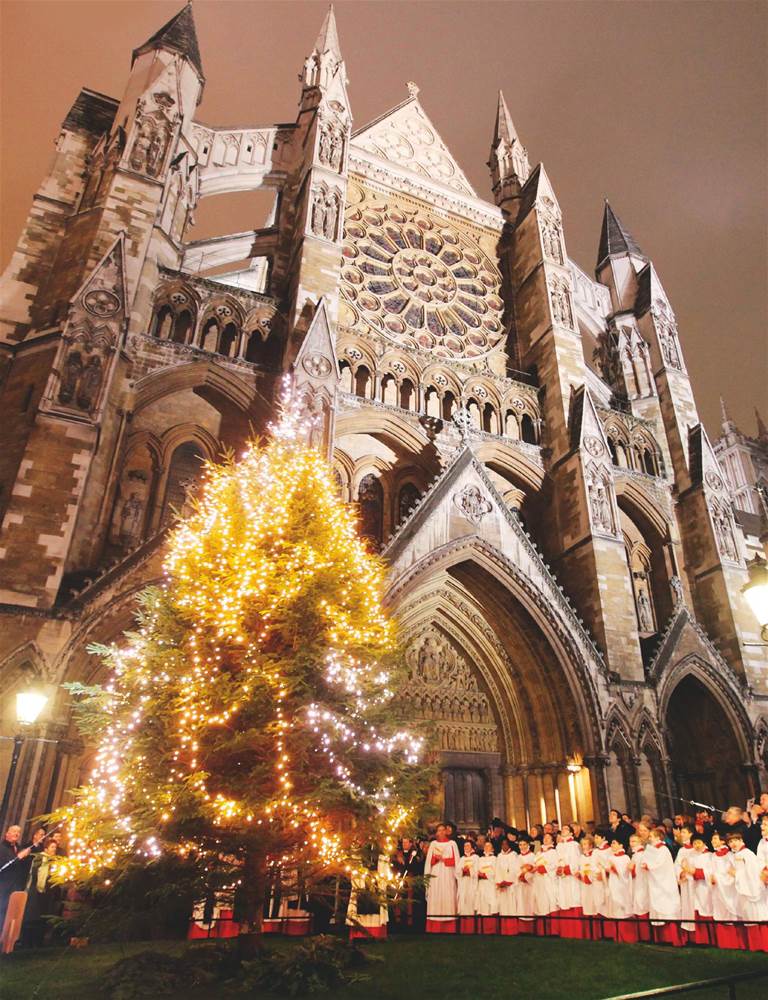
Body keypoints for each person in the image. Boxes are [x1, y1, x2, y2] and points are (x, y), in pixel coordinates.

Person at [643, 826, 682, 946]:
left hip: (664, 883)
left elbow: (660, 865)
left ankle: (672, 938)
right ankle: (661, 938)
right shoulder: (652, 850)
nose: (650, 839)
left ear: (658, 837)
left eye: (652, 836)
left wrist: (648, 866)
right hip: (656, 883)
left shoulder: (663, 849)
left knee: (667, 908)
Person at [728, 832, 768, 951]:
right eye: (730, 842)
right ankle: (754, 946)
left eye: (735, 840)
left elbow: (752, 873)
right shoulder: (737, 855)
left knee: (757, 916)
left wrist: (737, 874)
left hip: (752, 890)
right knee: (749, 917)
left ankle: (762, 945)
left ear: (741, 840)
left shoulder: (747, 854)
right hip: (743, 891)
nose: (733, 844)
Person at [22, 838, 61, 947]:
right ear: (46, 848)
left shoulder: (55, 861)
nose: (54, 849)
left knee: (43, 917)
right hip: (36, 891)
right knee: (32, 916)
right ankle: (27, 941)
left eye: (55, 848)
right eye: (52, 847)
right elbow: (33, 874)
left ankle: (38, 941)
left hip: (47, 893)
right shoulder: (39, 859)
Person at [709, 830, 742, 949]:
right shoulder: (713, 856)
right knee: (720, 912)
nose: (713, 841)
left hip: (728, 888)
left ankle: (735, 942)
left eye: (715, 839)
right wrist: (711, 876)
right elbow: (711, 870)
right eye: (712, 839)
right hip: (717, 889)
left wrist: (721, 878)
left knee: (731, 911)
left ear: (722, 841)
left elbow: (734, 872)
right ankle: (724, 942)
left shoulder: (730, 856)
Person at [424, 824, 459, 934]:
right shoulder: (433, 844)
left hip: (448, 874)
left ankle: (449, 926)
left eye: (443, 830)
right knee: (436, 895)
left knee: (448, 895)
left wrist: (444, 859)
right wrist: (436, 859)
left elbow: (456, 861)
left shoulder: (452, 844)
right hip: (436, 874)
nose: (441, 832)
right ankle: (434, 926)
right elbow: (429, 861)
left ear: (446, 831)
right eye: (439, 830)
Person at [0, 826, 31, 936]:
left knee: (12, 914)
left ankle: (7, 940)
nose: (16, 834)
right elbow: (3, 865)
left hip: (16, 887)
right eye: (14, 831)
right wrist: (19, 857)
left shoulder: (19, 848)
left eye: (18, 832)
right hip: (3, 887)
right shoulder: (2, 848)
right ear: (7, 833)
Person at [555, 823, 584, 938]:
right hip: (562, 878)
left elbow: (577, 860)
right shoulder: (559, 846)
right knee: (564, 898)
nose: (563, 830)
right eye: (562, 829)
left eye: (566, 829)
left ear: (571, 833)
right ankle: (565, 931)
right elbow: (556, 859)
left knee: (573, 898)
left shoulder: (574, 845)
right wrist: (558, 868)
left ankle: (576, 931)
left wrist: (568, 869)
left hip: (571, 877)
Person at [606, 837, 636, 943]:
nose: (612, 845)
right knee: (614, 910)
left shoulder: (625, 858)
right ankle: (617, 937)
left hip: (622, 887)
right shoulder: (610, 857)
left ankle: (627, 937)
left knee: (622, 910)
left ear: (621, 845)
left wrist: (615, 869)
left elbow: (626, 875)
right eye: (611, 843)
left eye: (614, 843)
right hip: (613, 885)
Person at [689, 835, 715, 946]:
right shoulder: (692, 856)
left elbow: (711, 870)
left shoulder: (710, 856)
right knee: (698, 909)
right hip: (696, 887)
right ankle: (702, 939)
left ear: (704, 843)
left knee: (707, 909)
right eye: (694, 843)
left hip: (706, 887)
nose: (696, 845)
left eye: (698, 842)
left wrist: (696, 872)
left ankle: (712, 939)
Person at [577, 835, 604, 940]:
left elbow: (598, 867)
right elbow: (581, 868)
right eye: (582, 844)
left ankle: (599, 934)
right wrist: (581, 875)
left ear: (591, 845)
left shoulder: (596, 854)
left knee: (596, 905)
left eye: (585, 844)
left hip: (595, 884)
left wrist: (591, 877)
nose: (583, 846)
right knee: (588, 906)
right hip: (585, 885)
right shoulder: (582, 857)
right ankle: (591, 934)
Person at [674, 824, 697, 940]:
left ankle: (697, 934)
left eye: (684, 832)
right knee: (686, 905)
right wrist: (680, 872)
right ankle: (688, 934)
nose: (681, 834)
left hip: (694, 882)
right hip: (685, 882)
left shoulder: (695, 848)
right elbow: (677, 864)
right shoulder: (681, 850)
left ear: (690, 834)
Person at [532, 832, 558, 936]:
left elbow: (555, 865)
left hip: (548, 880)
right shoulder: (538, 853)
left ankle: (553, 930)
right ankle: (542, 931)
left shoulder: (553, 852)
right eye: (545, 837)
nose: (546, 839)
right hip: (539, 881)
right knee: (540, 902)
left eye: (548, 838)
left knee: (550, 902)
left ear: (552, 841)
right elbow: (535, 864)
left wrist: (544, 868)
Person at [628, 834, 651, 943]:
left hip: (642, 885)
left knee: (642, 907)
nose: (632, 843)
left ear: (640, 842)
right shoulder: (635, 855)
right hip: (636, 884)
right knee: (638, 906)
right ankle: (641, 936)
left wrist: (632, 869)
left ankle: (646, 936)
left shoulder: (642, 854)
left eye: (634, 841)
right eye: (631, 841)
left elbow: (642, 871)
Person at [495, 839, 518, 936]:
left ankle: (512, 930)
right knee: (503, 907)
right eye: (502, 844)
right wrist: (500, 882)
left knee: (511, 907)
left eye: (506, 844)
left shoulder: (514, 855)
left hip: (510, 885)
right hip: (502, 886)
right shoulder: (499, 856)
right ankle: (504, 930)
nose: (504, 846)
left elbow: (515, 870)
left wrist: (507, 881)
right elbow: (497, 870)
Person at [475, 841, 498, 933]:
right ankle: (483, 929)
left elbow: (496, 871)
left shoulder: (495, 859)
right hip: (482, 884)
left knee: (491, 904)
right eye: (485, 846)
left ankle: (492, 929)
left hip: (490, 884)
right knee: (482, 903)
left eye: (489, 846)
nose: (487, 847)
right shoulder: (480, 859)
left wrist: (486, 875)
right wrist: (478, 874)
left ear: (492, 849)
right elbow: (476, 869)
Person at [456, 841, 478, 934]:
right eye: (464, 845)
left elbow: (477, 870)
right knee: (463, 904)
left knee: (471, 903)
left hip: (471, 884)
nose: (466, 847)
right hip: (463, 884)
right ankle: (463, 929)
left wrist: (470, 871)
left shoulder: (476, 858)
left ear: (472, 847)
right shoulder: (461, 859)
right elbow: (457, 872)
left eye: (468, 845)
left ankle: (471, 929)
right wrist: (462, 871)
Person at [515, 837, 536, 934]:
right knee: (522, 905)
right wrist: (520, 876)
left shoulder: (533, 856)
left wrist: (526, 876)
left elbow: (535, 869)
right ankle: (523, 929)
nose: (522, 847)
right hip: (521, 885)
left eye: (524, 844)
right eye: (520, 845)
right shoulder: (518, 857)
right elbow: (515, 870)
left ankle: (532, 929)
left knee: (530, 904)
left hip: (530, 884)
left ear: (528, 845)